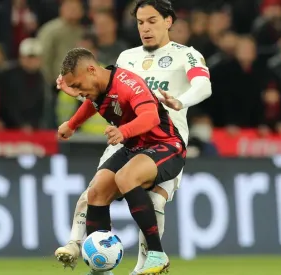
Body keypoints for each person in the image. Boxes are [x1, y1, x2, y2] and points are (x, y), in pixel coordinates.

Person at [55, 1, 212, 274]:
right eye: (140, 22)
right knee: (95, 189)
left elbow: (203, 85)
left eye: (152, 20)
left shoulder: (186, 54)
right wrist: (75, 115)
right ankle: (88, 253)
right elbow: (102, 93)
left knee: (153, 200)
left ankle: (146, 264)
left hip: (164, 139)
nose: (146, 28)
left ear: (168, 21)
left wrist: (181, 101)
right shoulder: (127, 57)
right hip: (127, 140)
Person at [58, 47, 185, 275]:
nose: (76, 92)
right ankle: (101, 269)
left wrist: (124, 131)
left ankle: (157, 254)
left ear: (91, 70)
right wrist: (72, 124)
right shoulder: (98, 88)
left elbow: (151, 116)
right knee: (95, 192)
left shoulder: (127, 83)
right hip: (135, 148)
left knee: (125, 176)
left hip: (165, 145)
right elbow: (93, 103)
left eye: (77, 85)